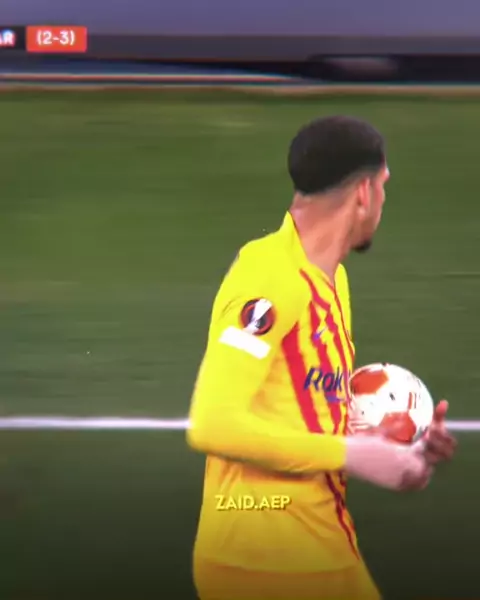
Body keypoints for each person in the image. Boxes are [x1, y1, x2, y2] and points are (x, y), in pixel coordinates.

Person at [187, 115, 456, 600]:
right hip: (264, 564)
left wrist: (397, 443)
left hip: (319, 549)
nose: (383, 201)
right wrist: (352, 454)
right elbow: (212, 424)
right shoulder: (269, 280)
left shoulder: (332, 280)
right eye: (384, 186)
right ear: (364, 193)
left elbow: (299, 408)